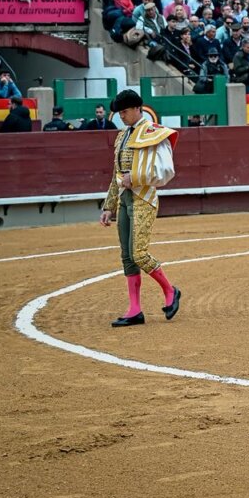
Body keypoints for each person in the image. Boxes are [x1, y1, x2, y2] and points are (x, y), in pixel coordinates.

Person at [99, 90, 181, 328]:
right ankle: (135, 310)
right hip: (125, 199)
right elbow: (116, 175)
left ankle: (170, 290)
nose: (121, 117)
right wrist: (109, 206)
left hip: (143, 198)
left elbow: (166, 171)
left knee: (139, 253)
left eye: (124, 112)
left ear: (137, 108)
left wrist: (133, 178)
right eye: (119, 113)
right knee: (127, 256)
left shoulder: (155, 134)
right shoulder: (122, 136)